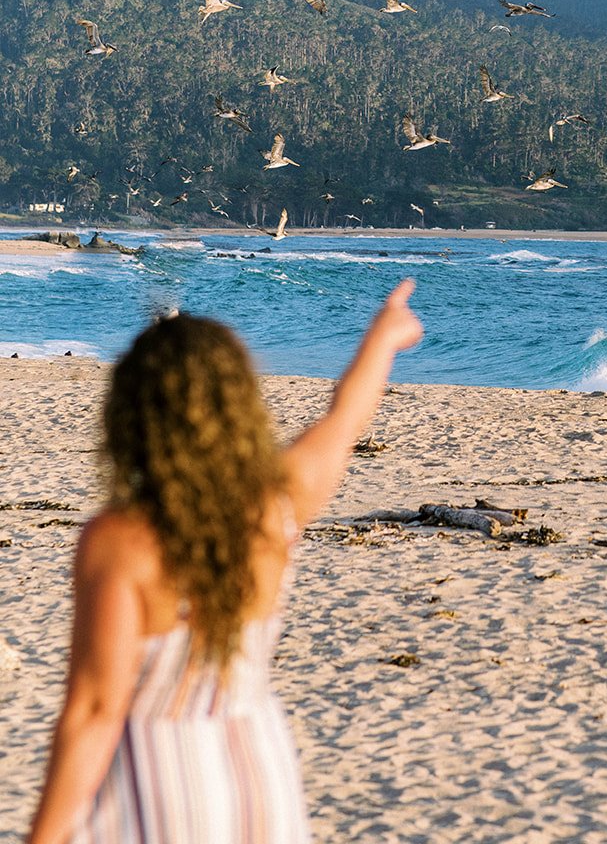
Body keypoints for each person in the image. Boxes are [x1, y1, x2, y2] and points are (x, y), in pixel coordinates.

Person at [27, 278, 423, 844]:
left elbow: (95, 710)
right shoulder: (276, 506)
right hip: (259, 780)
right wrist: (384, 337)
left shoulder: (119, 540)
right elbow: (343, 420)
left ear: (132, 414)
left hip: (153, 786)